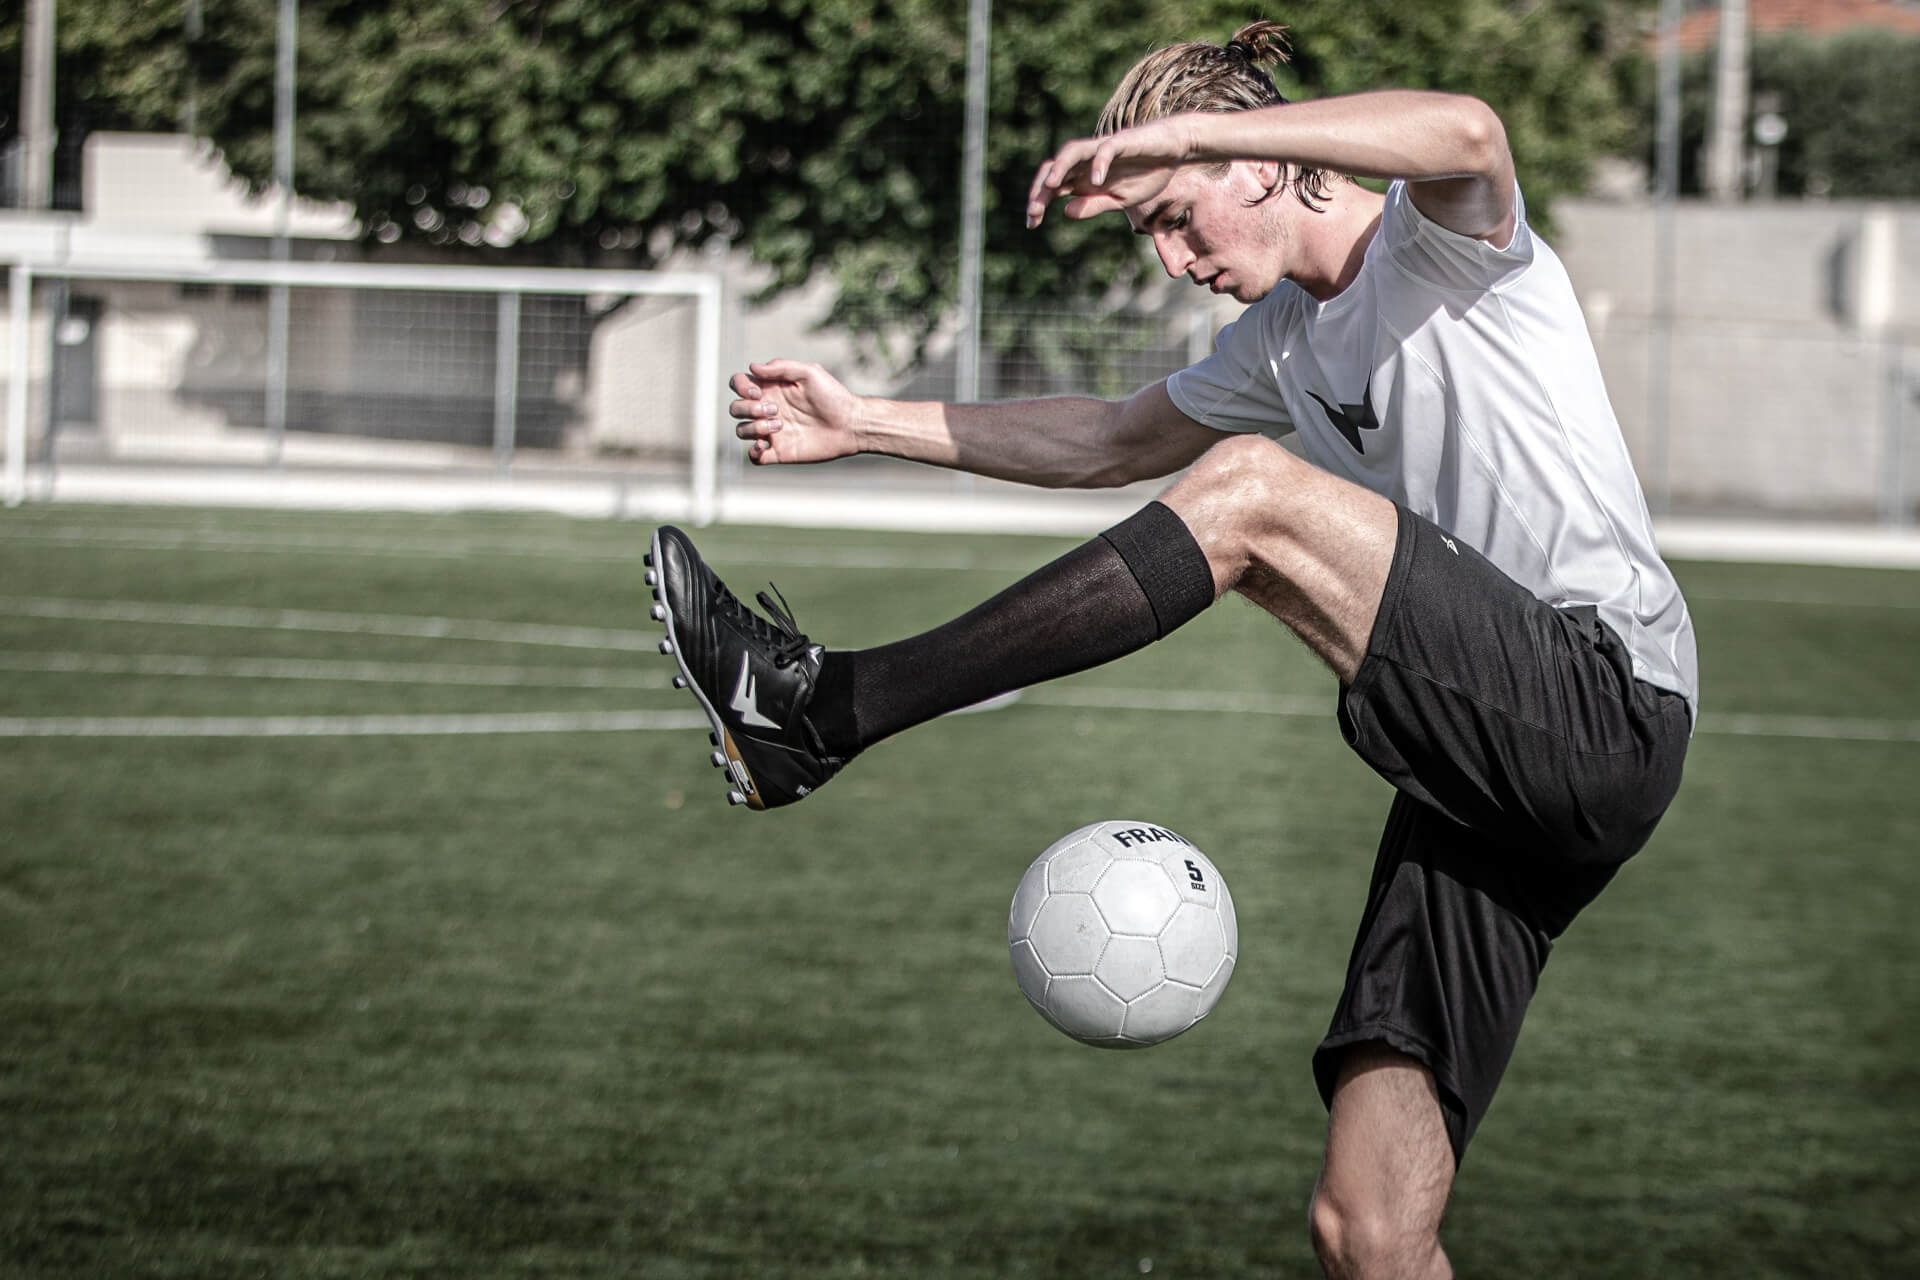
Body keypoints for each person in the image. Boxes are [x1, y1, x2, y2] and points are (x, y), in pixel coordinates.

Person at [644, 20, 1695, 1278]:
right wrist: (865, 420)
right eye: (1151, 231)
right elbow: (1103, 442)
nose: (1172, 256)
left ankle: (828, 707)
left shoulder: (1441, 244)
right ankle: (817, 713)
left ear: (1258, 162)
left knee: (1250, 492)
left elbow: (1469, 129)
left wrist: (1190, 130)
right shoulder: (1282, 344)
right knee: (1368, 1229)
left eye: (1177, 216)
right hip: (1484, 778)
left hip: (1603, 697)